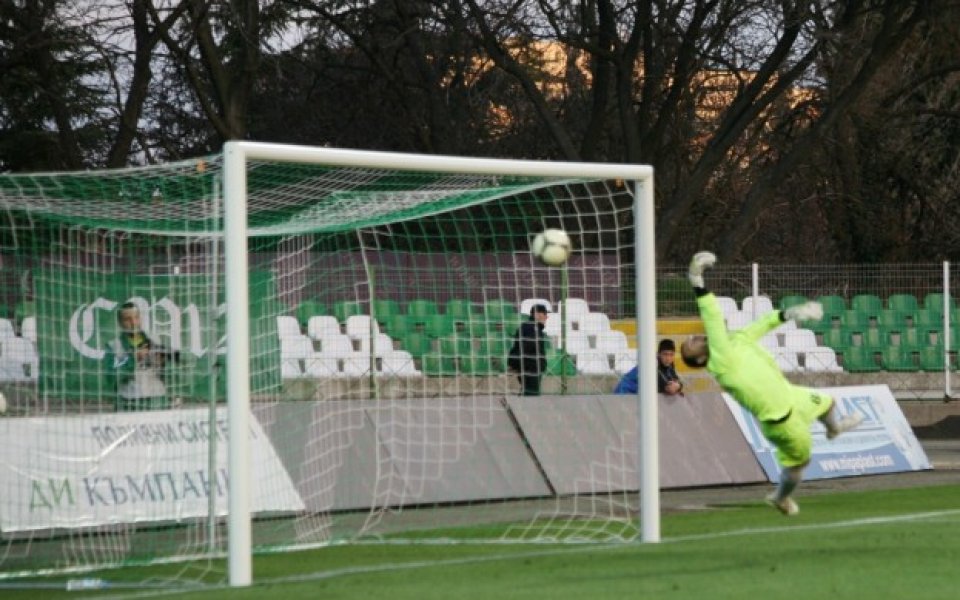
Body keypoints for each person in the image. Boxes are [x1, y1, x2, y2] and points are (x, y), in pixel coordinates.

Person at [680, 251, 863, 516]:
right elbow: (711, 314)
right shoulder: (720, 363)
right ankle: (779, 497)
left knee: (828, 403)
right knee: (799, 464)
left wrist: (795, 312)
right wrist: (696, 278)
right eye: (691, 346)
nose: (694, 338)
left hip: (791, 396)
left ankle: (834, 430)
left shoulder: (735, 342)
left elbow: (763, 323)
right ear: (700, 359)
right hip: (782, 421)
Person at [105, 302, 178, 411]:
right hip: (129, 401)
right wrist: (134, 358)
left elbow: (167, 374)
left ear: (140, 319)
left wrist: (161, 363)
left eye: (136, 317)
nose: (133, 322)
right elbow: (111, 377)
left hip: (157, 399)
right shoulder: (114, 345)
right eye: (127, 319)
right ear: (120, 323)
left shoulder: (155, 340)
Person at [614, 338, 684, 395]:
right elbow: (662, 386)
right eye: (665, 354)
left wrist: (678, 385)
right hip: (624, 394)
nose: (668, 358)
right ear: (658, 354)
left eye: (671, 355)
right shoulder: (651, 364)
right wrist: (676, 386)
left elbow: (675, 379)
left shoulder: (669, 365)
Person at [507, 304, 550, 396]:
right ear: (537, 315)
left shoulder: (527, 327)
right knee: (531, 396)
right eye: (544, 314)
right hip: (531, 369)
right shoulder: (532, 329)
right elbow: (527, 348)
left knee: (527, 392)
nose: (547, 317)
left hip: (528, 368)